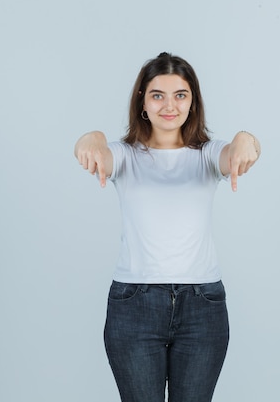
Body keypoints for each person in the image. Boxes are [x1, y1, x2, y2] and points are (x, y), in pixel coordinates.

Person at [74, 52, 261, 402]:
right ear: (142, 102)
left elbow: (238, 151)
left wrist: (247, 139)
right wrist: (92, 136)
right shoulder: (126, 156)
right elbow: (95, 150)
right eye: (157, 95)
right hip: (134, 305)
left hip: (202, 306)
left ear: (193, 102)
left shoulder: (207, 154)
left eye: (180, 95)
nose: (169, 105)